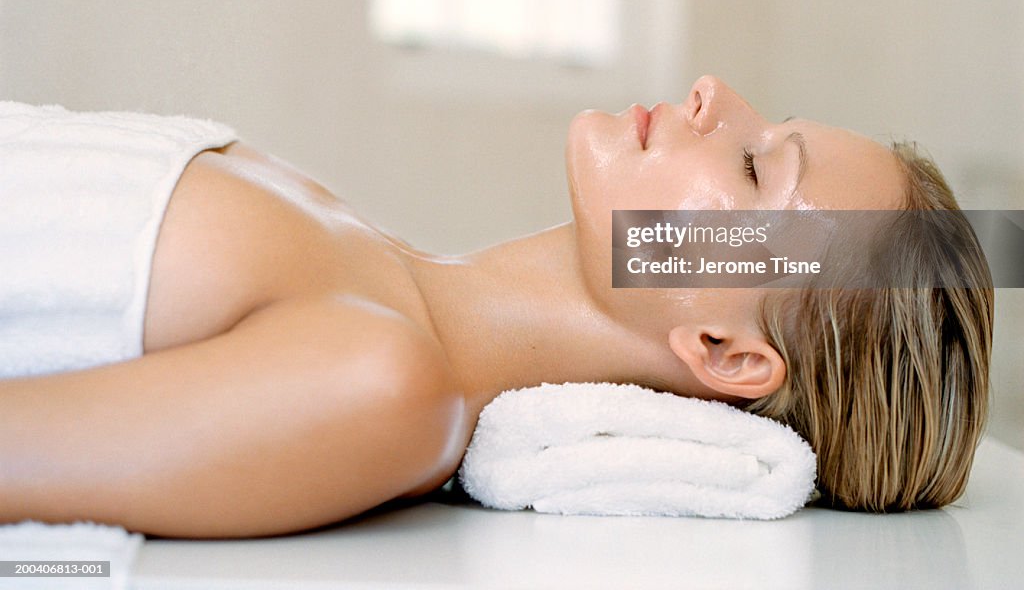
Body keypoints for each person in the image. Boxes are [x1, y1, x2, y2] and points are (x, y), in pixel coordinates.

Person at [0, 76, 992, 537]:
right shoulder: (365, 255)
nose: (710, 92)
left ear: (725, 350)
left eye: (751, 163)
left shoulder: (383, 385)